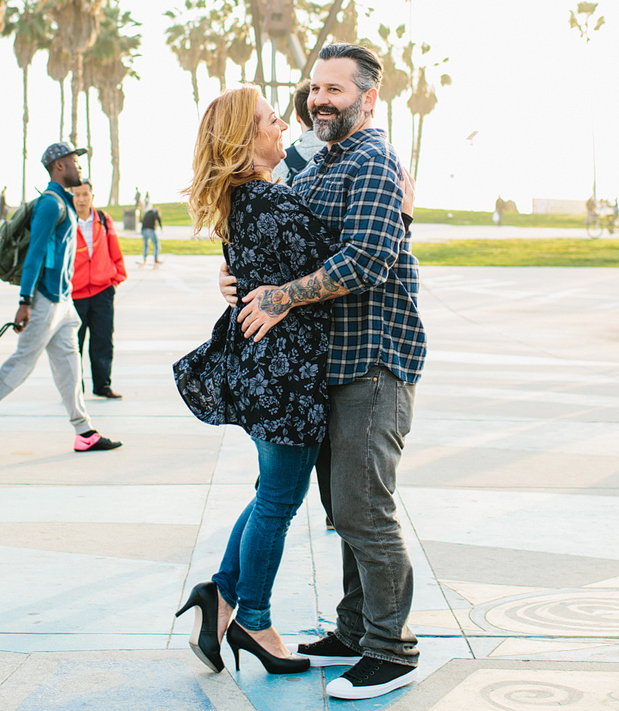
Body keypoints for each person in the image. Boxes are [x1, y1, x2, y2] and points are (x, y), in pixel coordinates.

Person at [218, 43, 427, 700]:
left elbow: (367, 259)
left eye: (335, 89)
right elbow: (286, 244)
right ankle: (353, 629)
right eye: (315, 88)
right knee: (344, 511)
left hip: (372, 360)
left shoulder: (373, 160)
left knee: (367, 511)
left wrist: (280, 296)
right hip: (325, 366)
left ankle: (393, 649)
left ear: (369, 98)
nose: (319, 100)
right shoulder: (313, 165)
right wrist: (242, 278)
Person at [171, 87, 336, 678]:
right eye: (271, 121)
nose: (282, 128)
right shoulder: (270, 203)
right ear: (247, 139)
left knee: (272, 491)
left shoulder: (248, 202)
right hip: (286, 371)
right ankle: (255, 619)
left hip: (268, 367)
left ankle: (220, 595)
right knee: (278, 499)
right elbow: (342, 262)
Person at [0, 142, 121, 457]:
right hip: (44, 300)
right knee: (21, 364)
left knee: (69, 363)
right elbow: (34, 254)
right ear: (59, 166)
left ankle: (84, 432)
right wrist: (25, 300)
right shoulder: (50, 204)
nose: (79, 168)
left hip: (63, 302)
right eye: (74, 162)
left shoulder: (66, 202)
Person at [70, 181, 127, 400]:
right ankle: (75, 389)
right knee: (74, 343)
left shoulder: (103, 219)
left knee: (103, 339)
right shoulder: (66, 221)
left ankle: (103, 385)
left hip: (103, 290)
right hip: (75, 293)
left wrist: (116, 277)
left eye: (85, 194)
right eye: (77, 195)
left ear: (92, 196)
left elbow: (114, 248)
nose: (81, 199)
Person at [140, 202, 163, 266]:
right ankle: (156, 260)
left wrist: (142, 231)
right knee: (156, 245)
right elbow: (158, 218)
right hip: (150, 230)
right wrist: (161, 227)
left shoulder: (147, 213)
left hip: (144, 230)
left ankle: (144, 259)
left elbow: (142, 221)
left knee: (146, 246)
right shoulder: (154, 213)